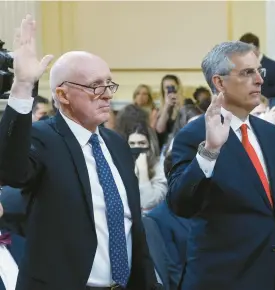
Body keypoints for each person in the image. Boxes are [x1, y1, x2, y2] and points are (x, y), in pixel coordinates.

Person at [0, 15, 161, 290]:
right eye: (96, 86)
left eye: (110, 84)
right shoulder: (43, 137)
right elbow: (9, 170)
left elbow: (132, 225)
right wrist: (23, 86)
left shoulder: (116, 144)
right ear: (63, 95)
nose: (108, 94)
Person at [167, 41, 275, 290]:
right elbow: (180, 203)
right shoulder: (194, 135)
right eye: (247, 72)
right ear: (219, 83)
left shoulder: (270, 134)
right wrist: (210, 151)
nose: (259, 80)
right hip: (223, 277)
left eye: (259, 71)